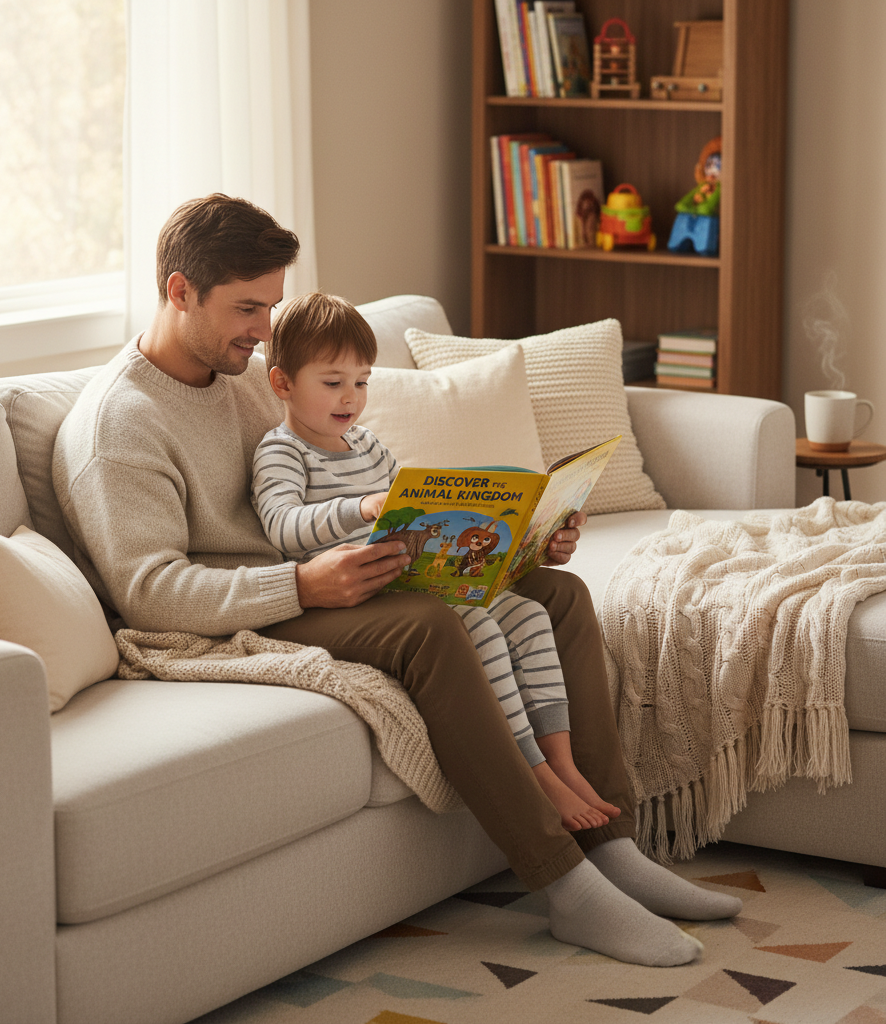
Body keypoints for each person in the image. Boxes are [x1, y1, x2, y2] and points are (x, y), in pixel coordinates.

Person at [53, 194, 742, 969]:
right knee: (432, 626)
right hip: (241, 613)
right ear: (179, 292)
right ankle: (567, 888)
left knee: (559, 597)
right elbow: (151, 591)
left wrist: (521, 543)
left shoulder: (245, 372)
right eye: (247, 308)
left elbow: (343, 466)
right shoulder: (120, 425)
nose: (262, 329)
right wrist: (303, 587)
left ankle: (612, 846)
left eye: (271, 307)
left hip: (327, 575)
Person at [251, 290, 617, 831]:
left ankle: (562, 761)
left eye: (362, 381)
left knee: (532, 616)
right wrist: (361, 507)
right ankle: (532, 769)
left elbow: (416, 513)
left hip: (409, 580)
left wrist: (525, 537)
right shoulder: (282, 450)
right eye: (333, 382)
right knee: (480, 629)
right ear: (282, 382)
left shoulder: (369, 446)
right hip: (354, 596)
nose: (350, 396)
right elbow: (282, 526)